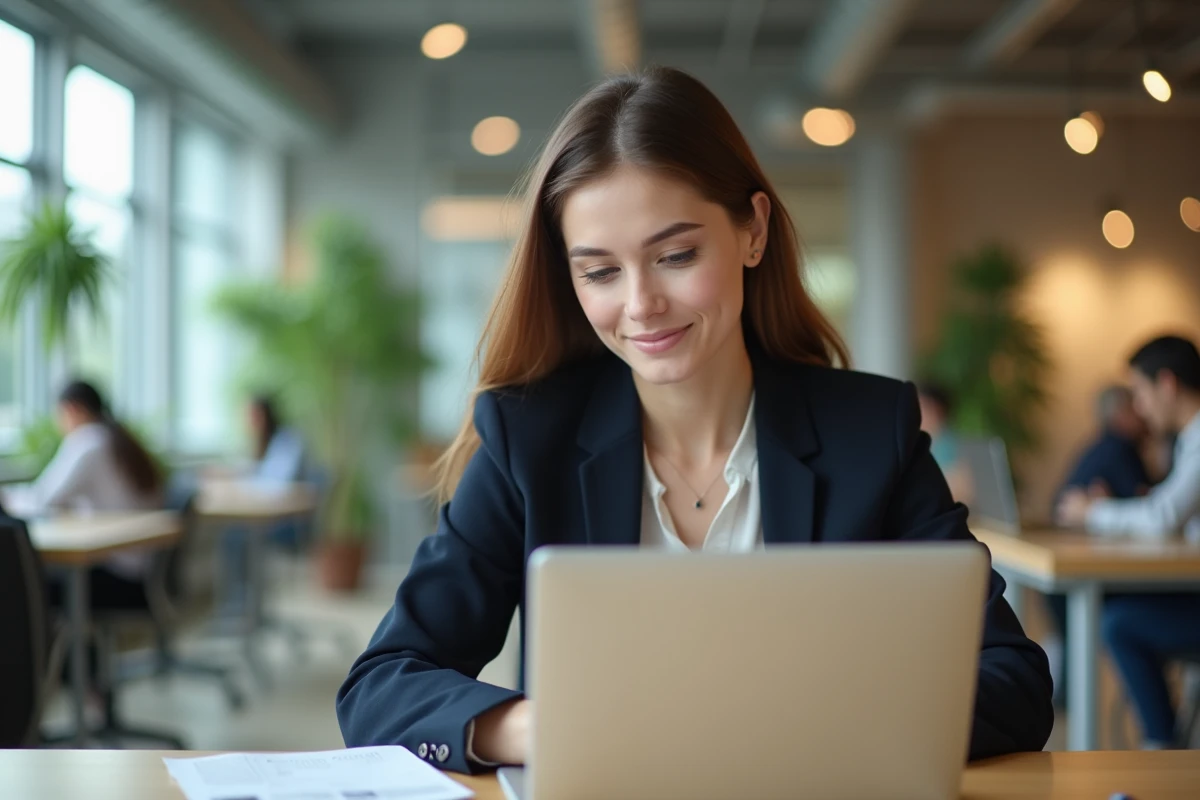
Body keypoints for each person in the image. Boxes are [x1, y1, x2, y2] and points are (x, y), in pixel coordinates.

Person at [337, 66, 1053, 773]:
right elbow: (381, 685)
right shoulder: (529, 440)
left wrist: (800, 726)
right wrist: (537, 729)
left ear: (752, 231)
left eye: (675, 255)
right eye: (600, 272)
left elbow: (1013, 683)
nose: (642, 304)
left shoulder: (872, 435)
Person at [1057, 335, 1200, 748]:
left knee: (1119, 623)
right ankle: (1163, 741)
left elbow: (1164, 517)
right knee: (1118, 611)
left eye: (1140, 391)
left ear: (1167, 384)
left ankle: (1162, 745)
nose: (1138, 406)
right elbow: (1167, 509)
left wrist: (1093, 513)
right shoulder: (1185, 442)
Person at [1046, 385, 1153, 708]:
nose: (1143, 413)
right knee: (1118, 621)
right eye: (1136, 408)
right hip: (1094, 571)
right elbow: (1151, 505)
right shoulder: (1121, 449)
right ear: (1122, 415)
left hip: (1070, 566)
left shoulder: (1098, 445)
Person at [29, 380, 164, 608]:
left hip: (118, 572)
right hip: (143, 570)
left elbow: (43, 498)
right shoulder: (116, 437)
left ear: (72, 409)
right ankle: (83, 644)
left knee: (31, 585)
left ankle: (76, 643)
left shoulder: (88, 441)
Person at [917, 383, 974, 504]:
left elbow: (960, 488)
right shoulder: (923, 443)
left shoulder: (950, 445)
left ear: (935, 409)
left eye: (921, 406)